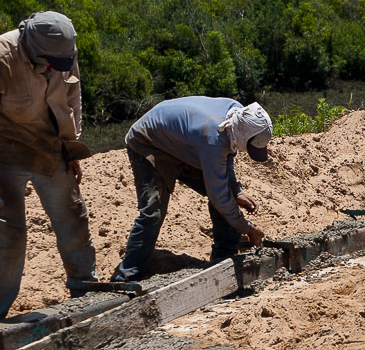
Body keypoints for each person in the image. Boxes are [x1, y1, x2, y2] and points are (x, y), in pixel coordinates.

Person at [0, 11, 99, 322]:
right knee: (10, 236)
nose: (58, 67)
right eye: (51, 62)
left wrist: (71, 147)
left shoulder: (63, 52)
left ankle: (86, 293)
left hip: (49, 147)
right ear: (34, 48)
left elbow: (72, 97)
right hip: (4, 153)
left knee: (74, 219)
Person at [111, 97, 272, 279]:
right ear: (243, 134)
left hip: (183, 143)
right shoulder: (213, 138)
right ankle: (127, 276)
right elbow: (219, 195)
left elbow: (226, 157)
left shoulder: (238, 115)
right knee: (152, 212)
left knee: (228, 194)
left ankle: (224, 257)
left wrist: (236, 191)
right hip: (148, 142)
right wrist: (247, 228)